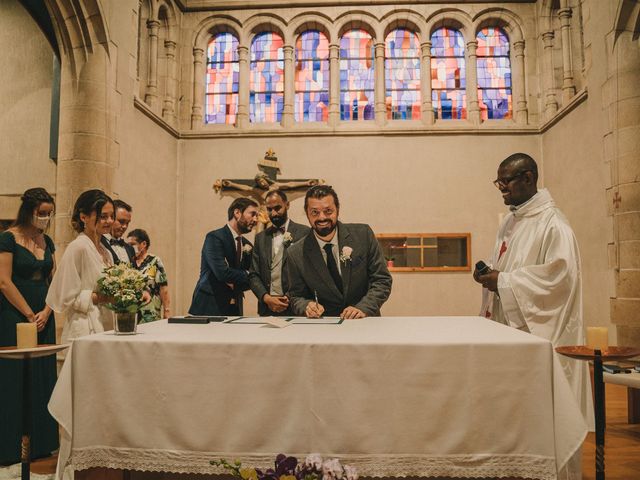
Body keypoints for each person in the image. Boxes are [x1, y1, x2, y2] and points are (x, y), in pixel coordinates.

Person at [473, 153, 594, 430]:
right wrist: (488, 273)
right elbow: (509, 264)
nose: (501, 187)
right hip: (508, 326)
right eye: (498, 182)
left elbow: (559, 282)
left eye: (506, 181)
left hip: (537, 335)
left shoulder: (554, 225)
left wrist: (502, 281)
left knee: (540, 420)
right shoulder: (511, 220)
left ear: (528, 178)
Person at [0, 188, 58, 464]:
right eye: (41, 213)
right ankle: (10, 446)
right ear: (28, 211)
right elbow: (3, 281)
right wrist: (28, 313)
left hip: (44, 312)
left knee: (42, 374)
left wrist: (47, 311)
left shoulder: (47, 241)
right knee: (14, 376)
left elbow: (54, 281)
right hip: (15, 312)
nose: (46, 218)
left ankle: (41, 442)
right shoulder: (8, 239)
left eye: (49, 214)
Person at [286, 185, 392, 319]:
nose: (322, 217)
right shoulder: (295, 253)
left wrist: (363, 307)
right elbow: (296, 296)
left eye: (328, 211)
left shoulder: (363, 235)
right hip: (324, 326)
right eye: (315, 212)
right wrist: (307, 305)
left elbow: (382, 280)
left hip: (364, 321)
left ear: (338, 210)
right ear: (307, 213)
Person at [46, 189, 116, 342]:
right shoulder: (78, 247)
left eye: (112, 216)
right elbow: (65, 297)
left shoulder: (106, 252)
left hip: (105, 322)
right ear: (84, 217)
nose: (110, 221)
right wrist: (100, 298)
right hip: (84, 326)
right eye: (103, 216)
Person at [189, 198, 259, 316]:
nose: (256, 220)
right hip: (209, 306)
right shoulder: (214, 238)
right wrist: (246, 274)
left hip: (235, 307)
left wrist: (246, 277)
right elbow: (222, 273)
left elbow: (253, 278)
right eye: (252, 214)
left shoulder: (247, 244)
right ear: (237, 213)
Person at [249, 190, 310, 316]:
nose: (274, 213)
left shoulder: (304, 233)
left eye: (278, 208)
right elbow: (253, 274)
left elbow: (308, 271)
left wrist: (289, 297)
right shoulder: (260, 238)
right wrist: (266, 298)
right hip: (267, 308)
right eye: (269, 209)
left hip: (295, 306)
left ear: (287, 205)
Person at [126, 228, 171, 322]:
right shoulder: (128, 262)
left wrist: (167, 310)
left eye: (132, 245)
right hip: (131, 314)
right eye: (128, 245)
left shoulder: (155, 261)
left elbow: (163, 288)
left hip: (151, 313)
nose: (129, 248)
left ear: (143, 244)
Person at [101, 199, 135, 264]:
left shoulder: (130, 249)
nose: (125, 226)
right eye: (121, 221)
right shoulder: (98, 243)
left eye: (127, 223)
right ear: (111, 218)